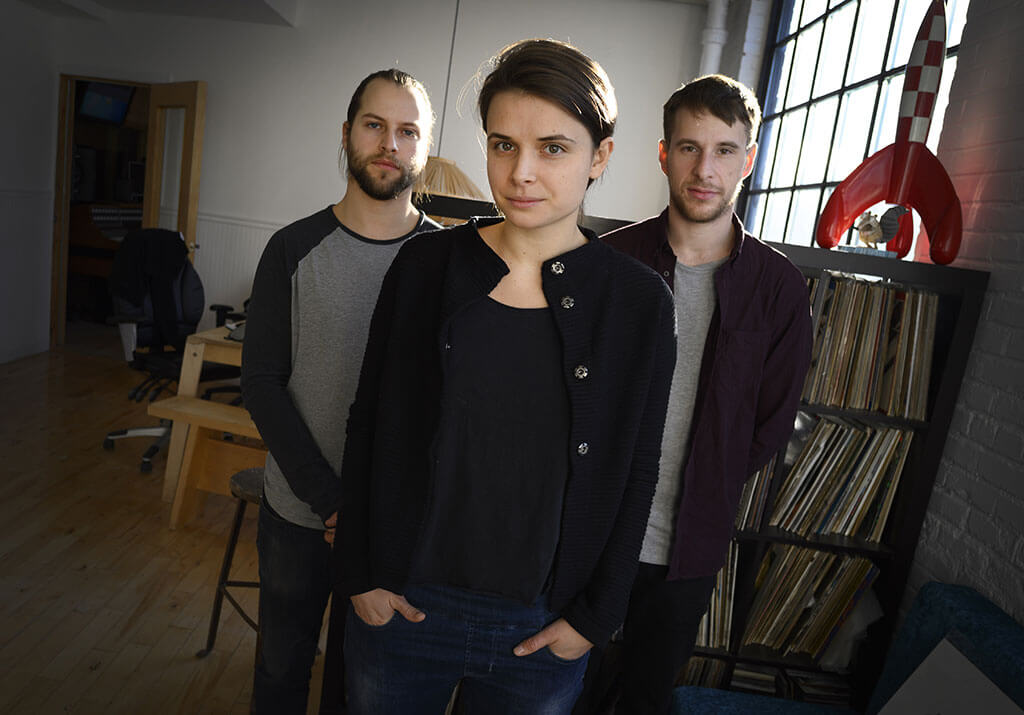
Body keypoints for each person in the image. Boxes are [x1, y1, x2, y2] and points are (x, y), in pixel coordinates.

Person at [334, 39, 676, 715]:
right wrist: (359, 573)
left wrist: (594, 618)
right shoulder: (425, 267)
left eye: (553, 148)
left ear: (599, 156)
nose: (522, 172)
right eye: (503, 145)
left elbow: (638, 469)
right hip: (402, 604)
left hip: (543, 626)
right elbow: (368, 420)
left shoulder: (637, 304)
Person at [581, 74, 813, 715]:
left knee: (646, 699)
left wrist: (713, 475)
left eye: (724, 150)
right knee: (558, 693)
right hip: (587, 534)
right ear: (664, 153)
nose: (705, 169)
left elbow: (771, 423)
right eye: (689, 147)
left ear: (749, 159)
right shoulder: (607, 263)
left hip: (688, 549)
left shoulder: (779, 289)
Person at [240, 68, 439, 714]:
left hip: (391, 530)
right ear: (347, 132)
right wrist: (331, 503)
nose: (389, 144)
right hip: (300, 514)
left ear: (425, 147)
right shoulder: (292, 248)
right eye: (374, 125)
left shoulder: (446, 262)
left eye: (407, 131)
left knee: (361, 690)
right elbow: (261, 384)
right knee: (280, 672)